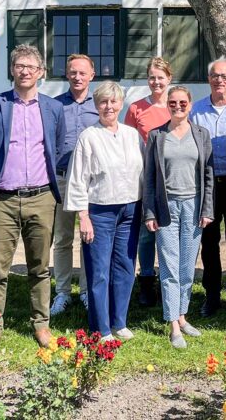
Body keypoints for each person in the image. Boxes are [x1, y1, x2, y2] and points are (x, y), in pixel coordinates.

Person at [0, 44, 65, 352]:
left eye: (31, 66)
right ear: (11, 70)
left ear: (40, 72)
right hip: (3, 200)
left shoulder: (53, 109)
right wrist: (1, 174)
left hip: (42, 198)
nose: (25, 71)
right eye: (19, 66)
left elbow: (57, 148)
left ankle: (41, 324)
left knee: (39, 267)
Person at [65, 81, 144, 341]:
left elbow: (142, 173)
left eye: (113, 102)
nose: (108, 106)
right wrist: (83, 216)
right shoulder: (89, 136)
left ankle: (119, 321)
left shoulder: (132, 135)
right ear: (96, 105)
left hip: (130, 209)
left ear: (121, 104)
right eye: (103, 102)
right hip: (99, 211)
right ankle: (101, 328)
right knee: (99, 270)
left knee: (124, 266)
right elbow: (78, 179)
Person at [143, 86, 214, 348]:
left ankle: (183, 316)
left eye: (182, 102)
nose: (177, 106)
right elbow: (149, 177)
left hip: (193, 206)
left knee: (187, 266)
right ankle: (173, 324)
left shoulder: (201, 134)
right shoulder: (157, 136)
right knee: (170, 266)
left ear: (190, 104)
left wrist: (207, 209)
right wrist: (149, 211)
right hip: (166, 206)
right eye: (172, 103)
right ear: (167, 106)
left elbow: (207, 175)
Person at [189, 58, 226, 317]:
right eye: (214, 75)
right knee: (209, 242)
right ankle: (211, 296)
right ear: (209, 79)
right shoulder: (196, 111)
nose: (219, 80)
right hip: (207, 184)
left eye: (224, 76)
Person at [51, 54, 99, 317]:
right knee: (62, 238)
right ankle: (62, 292)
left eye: (82, 72)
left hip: (92, 183)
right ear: (67, 75)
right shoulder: (56, 106)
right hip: (62, 179)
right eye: (73, 72)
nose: (77, 77)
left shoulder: (100, 105)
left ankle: (86, 290)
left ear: (92, 75)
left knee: (89, 238)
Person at [125, 57, 173, 307]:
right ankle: (146, 279)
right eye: (152, 77)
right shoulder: (136, 109)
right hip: (144, 178)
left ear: (169, 79)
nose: (156, 82)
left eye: (160, 77)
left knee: (168, 232)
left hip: (172, 179)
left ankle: (168, 282)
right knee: (146, 233)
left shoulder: (176, 106)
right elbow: (126, 143)